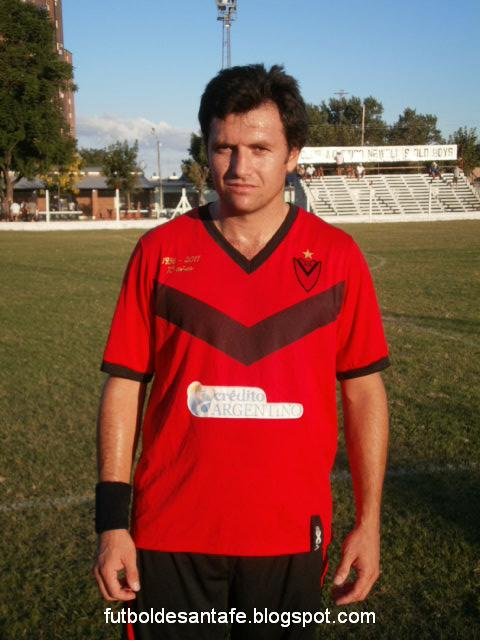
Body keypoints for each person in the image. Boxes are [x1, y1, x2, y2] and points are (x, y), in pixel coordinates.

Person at [94, 64, 390, 639]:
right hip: (168, 532)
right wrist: (111, 522)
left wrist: (370, 521)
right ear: (205, 149)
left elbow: (363, 391)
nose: (239, 167)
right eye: (223, 147)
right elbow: (125, 385)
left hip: (290, 534)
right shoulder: (159, 253)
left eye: (259, 148)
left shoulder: (338, 257)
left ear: (293, 154)